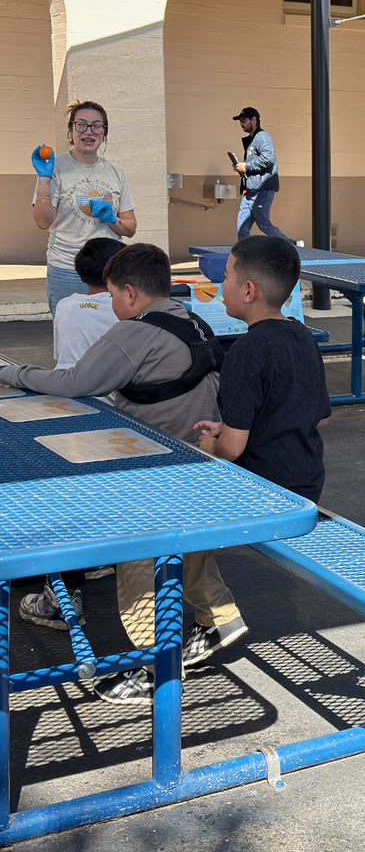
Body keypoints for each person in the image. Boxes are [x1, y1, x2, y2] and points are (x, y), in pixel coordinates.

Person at [0, 243, 247, 705]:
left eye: (113, 295)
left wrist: (13, 372)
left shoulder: (135, 331)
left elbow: (74, 382)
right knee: (184, 543)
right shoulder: (194, 320)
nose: (112, 305)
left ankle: (157, 665)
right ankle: (220, 616)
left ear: (130, 292)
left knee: (136, 558)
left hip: (155, 466)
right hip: (198, 458)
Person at [16, 237, 125, 632]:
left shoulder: (65, 305)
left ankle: (63, 596)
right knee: (95, 500)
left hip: (65, 410)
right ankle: (76, 580)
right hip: (116, 417)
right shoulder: (124, 312)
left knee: (69, 505)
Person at [195, 236, 331, 505]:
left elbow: (232, 449)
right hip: (307, 482)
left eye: (225, 277)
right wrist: (232, 425)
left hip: (259, 489)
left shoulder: (245, 352)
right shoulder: (304, 336)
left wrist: (212, 446)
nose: (220, 286)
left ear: (248, 291)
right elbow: (320, 418)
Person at [32, 99, 137, 316]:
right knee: (71, 333)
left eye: (96, 125)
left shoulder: (116, 172)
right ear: (71, 130)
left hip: (109, 270)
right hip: (66, 269)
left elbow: (130, 228)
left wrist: (112, 220)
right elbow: (43, 222)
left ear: (104, 132)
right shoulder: (55, 168)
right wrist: (44, 178)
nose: (89, 131)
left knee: (109, 334)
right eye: (81, 124)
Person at [52, 237, 124, 371]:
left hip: (62, 384)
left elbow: (61, 356)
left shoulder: (64, 305)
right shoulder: (123, 308)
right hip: (106, 389)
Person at [231, 107, 288, 242]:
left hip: (263, 189)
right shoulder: (251, 140)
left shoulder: (262, 137)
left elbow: (268, 158)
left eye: (244, 120)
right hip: (250, 190)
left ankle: (290, 245)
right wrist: (242, 168)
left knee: (263, 224)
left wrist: (247, 166)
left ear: (254, 120)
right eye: (240, 121)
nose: (242, 124)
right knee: (242, 227)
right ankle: (244, 254)